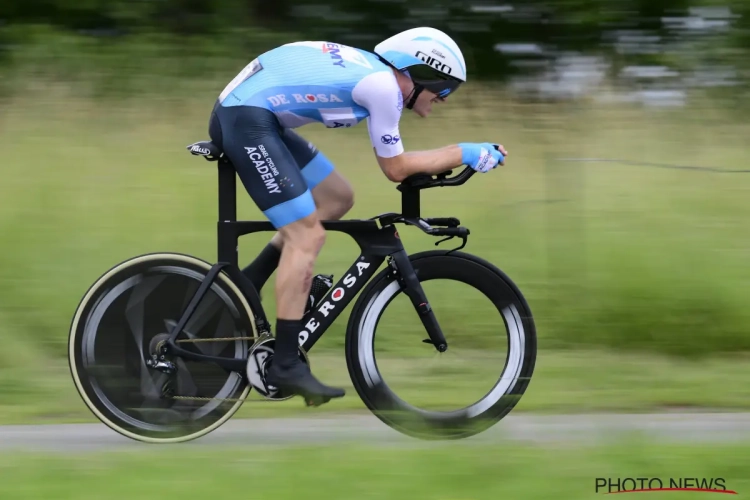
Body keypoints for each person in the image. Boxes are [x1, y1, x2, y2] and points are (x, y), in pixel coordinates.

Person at [207, 26, 507, 406]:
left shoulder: (375, 75)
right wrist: (465, 152)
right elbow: (396, 169)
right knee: (308, 236)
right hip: (246, 118)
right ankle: (284, 363)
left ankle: (251, 280)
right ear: (422, 73)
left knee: (337, 197)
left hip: (255, 115)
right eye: (444, 89)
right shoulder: (384, 88)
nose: (444, 99)